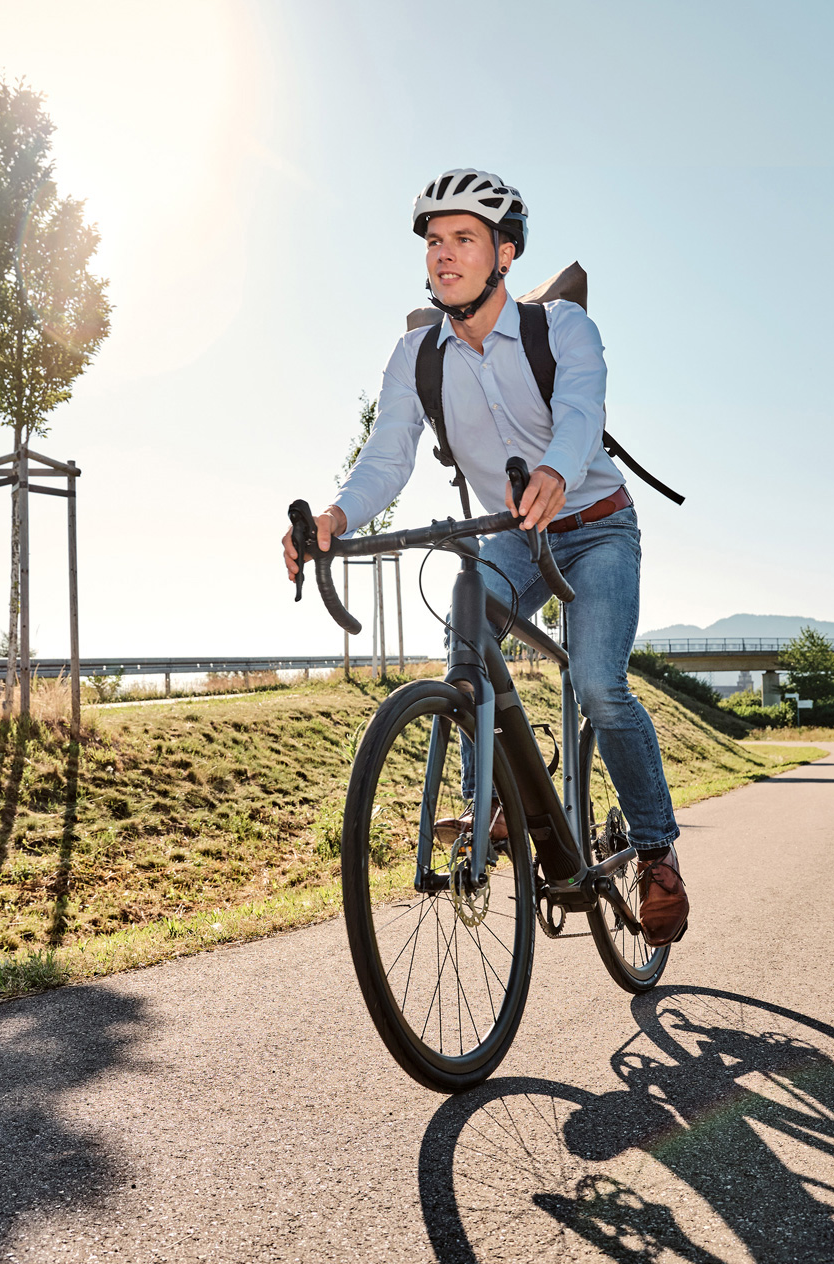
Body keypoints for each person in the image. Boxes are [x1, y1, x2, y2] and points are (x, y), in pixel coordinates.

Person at [278, 167, 688, 946]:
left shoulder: (561, 327)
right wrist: (335, 516)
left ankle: (656, 850)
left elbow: (581, 412)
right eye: (434, 240)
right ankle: (492, 803)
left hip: (596, 525)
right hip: (510, 533)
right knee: (465, 649)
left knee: (598, 685)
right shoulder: (416, 354)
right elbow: (386, 456)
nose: (444, 253)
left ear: (504, 253)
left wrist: (557, 470)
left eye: (464, 238)